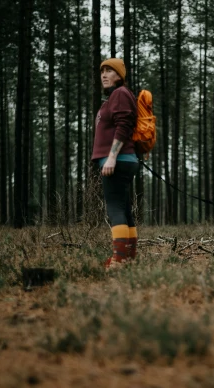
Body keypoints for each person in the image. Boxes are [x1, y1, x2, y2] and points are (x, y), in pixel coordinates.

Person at [92, 58, 139, 269]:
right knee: (125, 208)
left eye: (109, 71)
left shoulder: (120, 93)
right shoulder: (115, 97)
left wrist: (111, 157)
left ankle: (119, 261)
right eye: (102, 71)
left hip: (117, 160)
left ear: (119, 76)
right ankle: (128, 258)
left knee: (115, 209)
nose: (104, 74)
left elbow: (124, 124)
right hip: (124, 159)